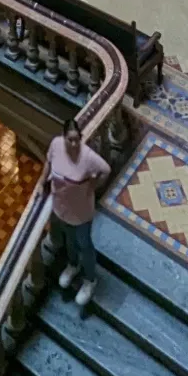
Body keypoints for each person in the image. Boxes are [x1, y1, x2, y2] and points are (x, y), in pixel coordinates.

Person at [43, 115, 110, 311]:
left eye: (76, 139)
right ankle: (73, 265)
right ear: (63, 137)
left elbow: (106, 169)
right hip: (61, 207)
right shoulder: (55, 145)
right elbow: (48, 162)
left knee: (84, 243)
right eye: (69, 139)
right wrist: (41, 184)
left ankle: (90, 279)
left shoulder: (88, 157)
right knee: (69, 239)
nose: (73, 143)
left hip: (81, 211)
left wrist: (92, 188)